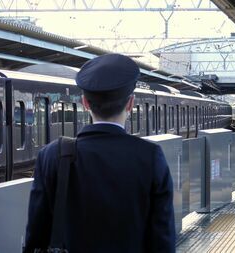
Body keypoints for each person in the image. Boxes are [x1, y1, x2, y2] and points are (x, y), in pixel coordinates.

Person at [24, 54, 175, 253]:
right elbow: (162, 237)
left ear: (85, 103)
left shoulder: (52, 155)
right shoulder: (150, 156)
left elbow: (35, 233)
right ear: (130, 103)